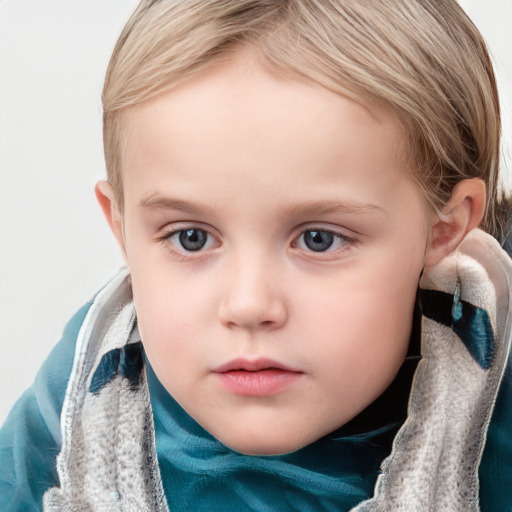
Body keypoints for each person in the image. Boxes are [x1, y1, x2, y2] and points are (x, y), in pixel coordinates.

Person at [1, 0, 511, 510]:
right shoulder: (78, 409)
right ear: (123, 226)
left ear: (444, 227)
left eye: (319, 239)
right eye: (191, 238)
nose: (248, 305)